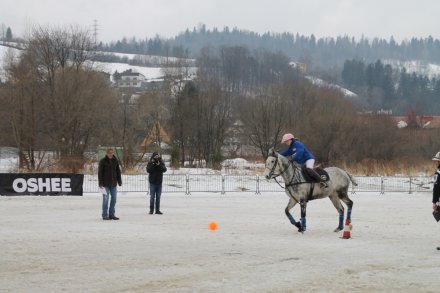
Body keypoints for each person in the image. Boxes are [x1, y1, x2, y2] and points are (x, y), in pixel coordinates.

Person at [98, 148, 122, 220]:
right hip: (105, 184)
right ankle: (105, 215)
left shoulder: (115, 161)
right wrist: (100, 183)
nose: (111, 154)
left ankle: (112, 214)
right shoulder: (102, 161)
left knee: (114, 199)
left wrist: (119, 180)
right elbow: (100, 173)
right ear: (107, 154)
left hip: (113, 184)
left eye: (112, 153)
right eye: (109, 153)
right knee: (105, 199)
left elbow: (118, 171)